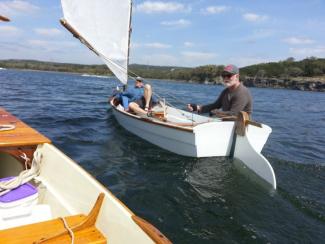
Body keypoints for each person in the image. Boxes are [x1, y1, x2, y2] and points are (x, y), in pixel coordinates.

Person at [187, 64, 252, 117]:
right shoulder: (226, 91)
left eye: (229, 75)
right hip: (228, 125)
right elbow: (215, 105)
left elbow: (234, 114)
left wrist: (216, 112)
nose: (226, 78)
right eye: (223, 76)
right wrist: (198, 108)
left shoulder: (242, 92)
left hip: (242, 128)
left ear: (237, 76)